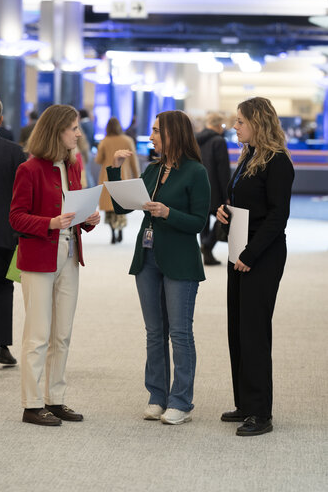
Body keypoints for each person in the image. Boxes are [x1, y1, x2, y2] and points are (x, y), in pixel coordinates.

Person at [107, 110, 210, 425]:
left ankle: (181, 401)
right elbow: (123, 204)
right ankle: (157, 396)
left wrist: (168, 213)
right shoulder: (153, 169)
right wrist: (114, 170)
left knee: (179, 332)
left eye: (155, 131)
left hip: (179, 259)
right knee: (154, 332)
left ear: (172, 134)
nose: (150, 136)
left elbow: (198, 223)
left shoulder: (195, 172)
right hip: (147, 257)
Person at [9, 104, 100, 426]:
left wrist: (89, 219)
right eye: (73, 128)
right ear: (57, 130)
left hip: (70, 256)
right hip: (39, 259)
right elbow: (16, 217)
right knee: (37, 334)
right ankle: (31, 404)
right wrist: (49, 222)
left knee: (62, 333)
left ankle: (55, 398)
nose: (79, 133)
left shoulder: (72, 167)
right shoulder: (30, 168)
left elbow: (74, 213)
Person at [216, 97, 294, 436]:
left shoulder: (277, 163)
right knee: (237, 327)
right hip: (240, 251)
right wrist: (225, 212)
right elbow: (242, 203)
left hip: (262, 255)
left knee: (254, 331)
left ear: (258, 124)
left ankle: (261, 413)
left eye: (240, 122)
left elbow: (278, 216)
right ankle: (245, 402)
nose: (235, 127)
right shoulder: (248, 157)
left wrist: (250, 254)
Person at [0, 93, 26, 371]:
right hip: (4, 232)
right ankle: (2, 347)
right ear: (1, 121)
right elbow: (21, 196)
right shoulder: (14, 152)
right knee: (3, 286)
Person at [95, 117, 140, 244]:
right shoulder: (128, 140)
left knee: (109, 208)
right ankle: (120, 230)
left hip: (107, 176)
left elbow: (98, 160)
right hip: (123, 175)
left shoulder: (104, 141)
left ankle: (112, 232)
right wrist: (137, 176)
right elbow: (134, 161)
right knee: (121, 204)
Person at [196, 112, 231, 265]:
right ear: (218, 125)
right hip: (215, 188)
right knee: (222, 218)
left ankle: (206, 250)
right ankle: (207, 245)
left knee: (203, 221)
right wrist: (227, 193)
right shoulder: (219, 141)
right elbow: (223, 170)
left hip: (198, 187)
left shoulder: (195, 140)